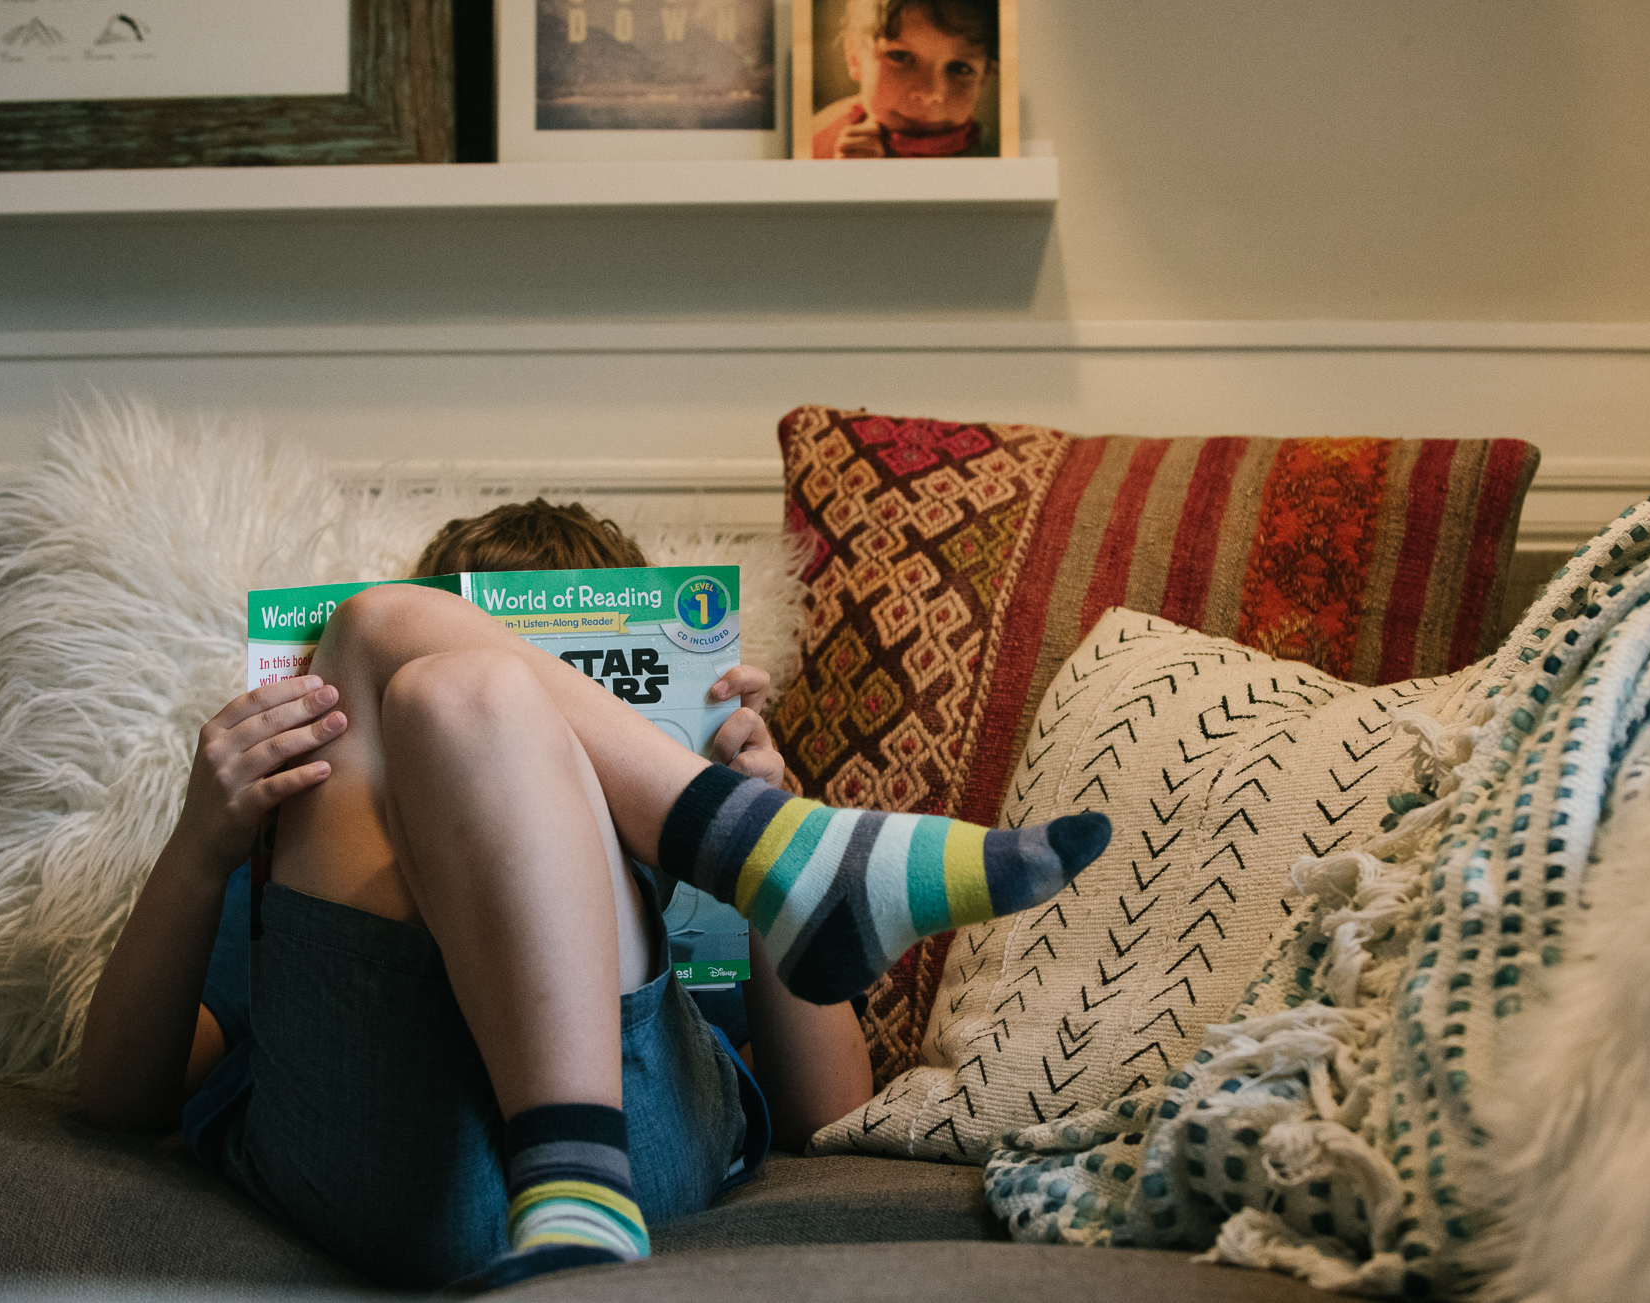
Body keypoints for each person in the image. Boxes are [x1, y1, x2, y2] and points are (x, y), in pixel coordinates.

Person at [76, 500, 1110, 1291]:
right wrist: (201, 841)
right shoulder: (305, 834)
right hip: (366, 1128)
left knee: (415, 654)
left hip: (636, 1131)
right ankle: (773, 854)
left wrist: (758, 817)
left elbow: (830, 1114)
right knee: (438, 676)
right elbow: (121, 1100)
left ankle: (745, 864)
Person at [812, 0, 998, 159]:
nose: (929, 92)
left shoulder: (994, 157)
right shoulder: (820, 135)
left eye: (960, 68)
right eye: (899, 56)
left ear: (984, 75)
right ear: (855, 58)